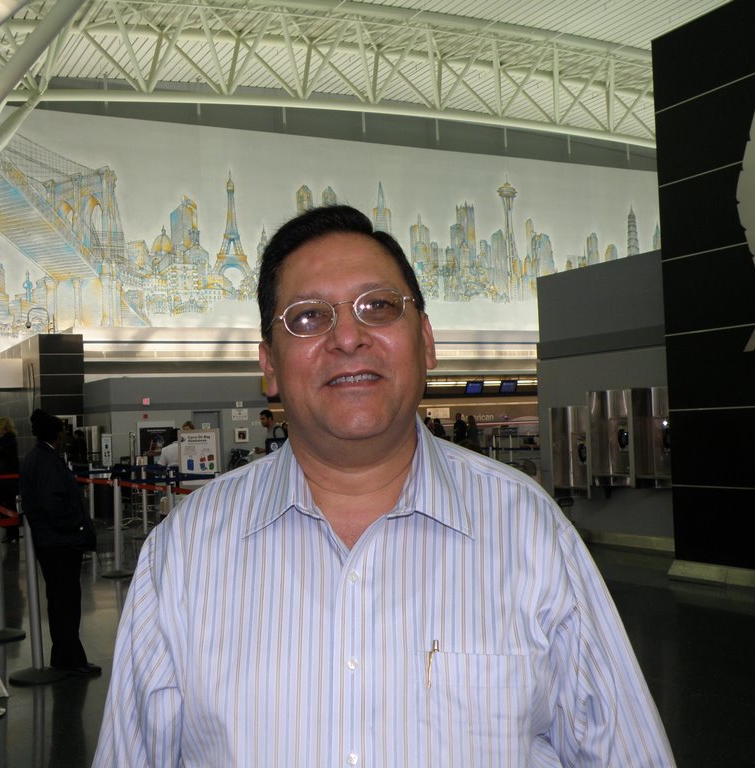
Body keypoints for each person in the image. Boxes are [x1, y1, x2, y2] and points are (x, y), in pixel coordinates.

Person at [94, 205, 673, 766]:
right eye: (308, 316)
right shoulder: (185, 553)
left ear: (426, 341)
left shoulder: (528, 529)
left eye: (377, 306)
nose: (348, 337)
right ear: (268, 364)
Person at [19, 409, 100, 677]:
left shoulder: (38, 459)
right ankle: (71, 659)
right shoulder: (47, 462)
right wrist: (76, 526)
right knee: (66, 602)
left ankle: (64, 656)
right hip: (60, 543)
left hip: (52, 542)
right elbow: (53, 504)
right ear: (57, 434)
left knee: (59, 601)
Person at [0, 416, 20, 541]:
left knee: (7, 505)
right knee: (10, 505)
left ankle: (12, 532)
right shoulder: (11, 440)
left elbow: (0, 458)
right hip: (10, 481)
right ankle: (12, 532)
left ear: (4, 427)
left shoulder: (5, 442)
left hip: (5, 482)